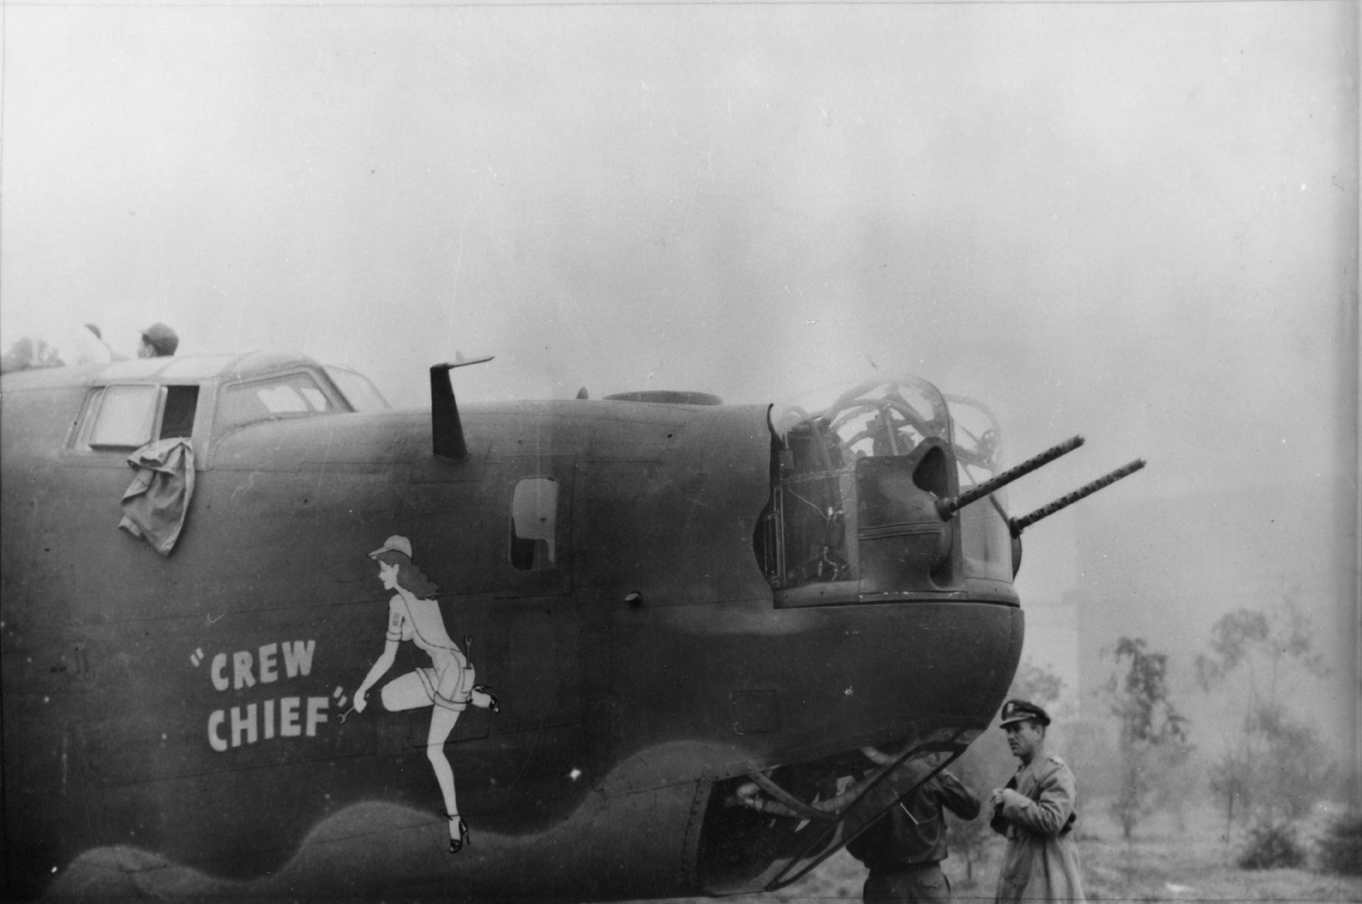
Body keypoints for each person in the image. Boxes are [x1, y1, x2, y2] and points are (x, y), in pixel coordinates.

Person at [353, 535, 500, 854]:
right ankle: (475, 696)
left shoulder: (397, 603)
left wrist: (362, 690)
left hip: (451, 676)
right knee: (391, 697)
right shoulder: (423, 597)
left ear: (396, 568)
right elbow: (421, 633)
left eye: (382, 569)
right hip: (456, 670)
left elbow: (387, 657)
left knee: (434, 752)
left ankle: (455, 820)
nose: (379, 575)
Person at [989, 700, 1085, 903]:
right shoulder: (1023, 772)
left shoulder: (1055, 771)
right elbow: (1016, 830)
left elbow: (1052, 821)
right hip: (1021, 873)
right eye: (1007, 731)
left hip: (1047, 876)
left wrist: (1012, 800)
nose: (1010, 736)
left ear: (1038, 731)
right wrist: (1003, 806)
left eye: (1017, 729)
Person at [848, 769, 981, 903]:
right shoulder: (927, 772)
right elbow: (971, 807)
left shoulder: (860, 783)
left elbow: (851, 843)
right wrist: (940, 772)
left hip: (883, 885)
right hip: (928, 883)